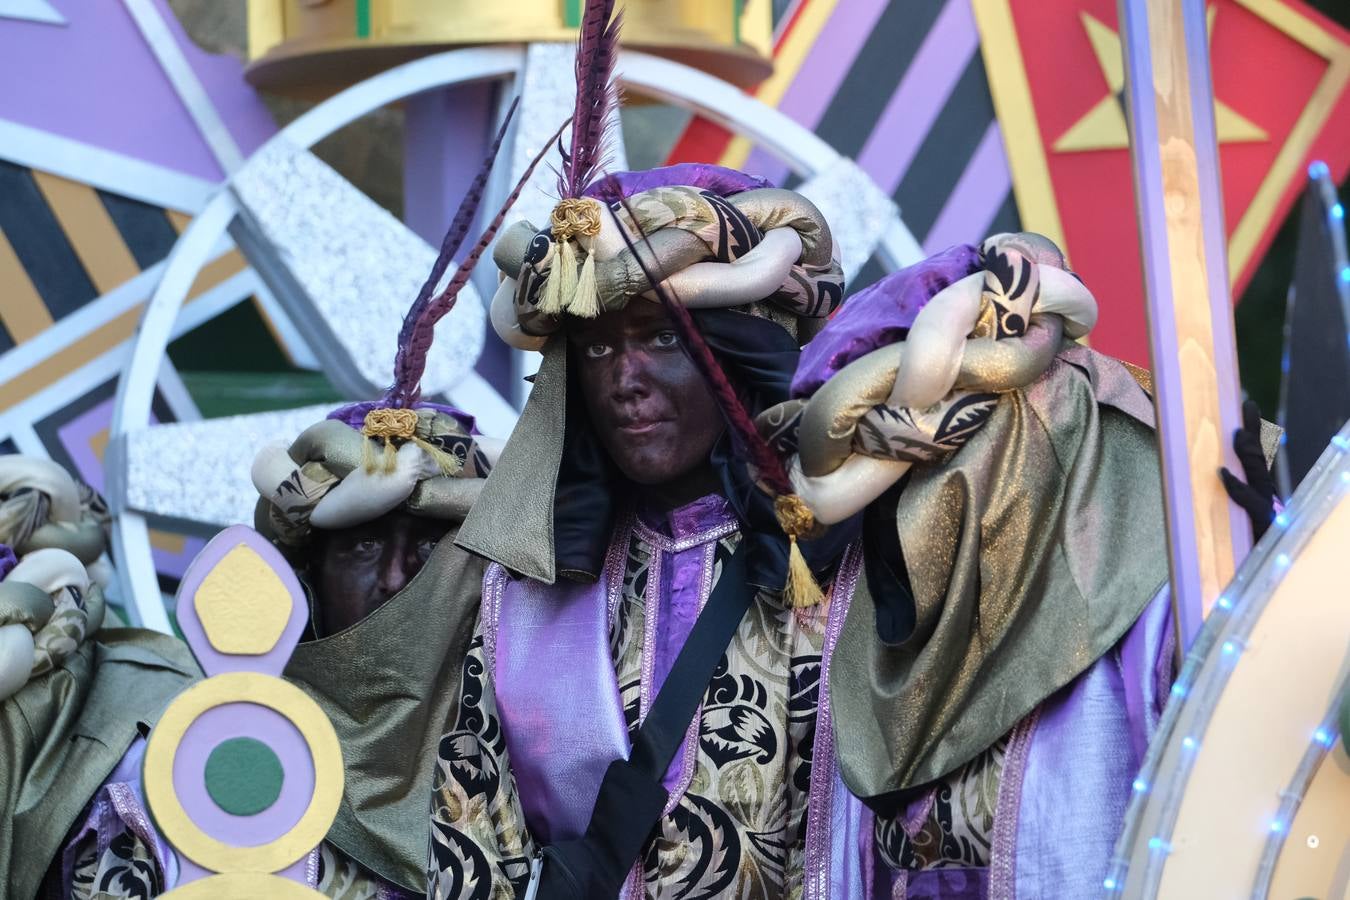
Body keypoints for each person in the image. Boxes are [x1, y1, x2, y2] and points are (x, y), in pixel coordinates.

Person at [2, 115, 523, 899]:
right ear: (297, 576)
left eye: (426, 550)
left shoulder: (558, 751)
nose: (392, 581)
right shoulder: (157, 761)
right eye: (358, 546)